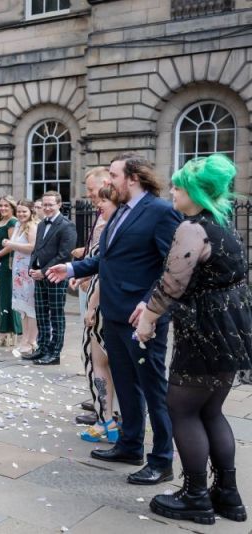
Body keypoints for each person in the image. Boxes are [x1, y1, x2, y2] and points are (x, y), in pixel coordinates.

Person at [47, 152, 181, 486]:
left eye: (113, 175)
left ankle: (162, 460)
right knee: (125, 382)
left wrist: (150, 306)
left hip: (142, 319)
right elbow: (106, 260)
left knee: (153, 388)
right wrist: (73, 268)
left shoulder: (161, 212)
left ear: (133, 177)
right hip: (114, 314)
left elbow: (173, 267)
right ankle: (130, 445)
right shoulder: (120, 210)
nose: (108, 181)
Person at [135, 155, 250, 524]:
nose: (172, 191)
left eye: (178, 187)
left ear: (196, 192)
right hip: (230, 329)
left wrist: (147, 320)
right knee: (211, 410)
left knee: (182, 409)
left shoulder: (194, 227)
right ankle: (227, 496)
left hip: (204, 332)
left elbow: (172, 283)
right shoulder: (224, 226)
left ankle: (196, 495)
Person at [78, 186, 120, 443]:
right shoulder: (115, 226)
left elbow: (106, 271)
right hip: (104, 296)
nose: (97, 204)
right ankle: (111, 419)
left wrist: (92, 305)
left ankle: (107, 420)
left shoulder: (111, 229)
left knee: (99, 363)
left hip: (103, 301)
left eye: (102, 199)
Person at [70, 167, 111, 424]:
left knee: (100, 356)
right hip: (93, 285)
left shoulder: (112, 218)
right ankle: (101, 403)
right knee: (93, 355)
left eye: (92, 190)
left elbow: (105, 260)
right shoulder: (102, 214)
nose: (90, 196)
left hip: (104, 295)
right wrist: (83, 274)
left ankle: (106, 412)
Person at [25, 191, 76, 365]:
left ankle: (54, 353)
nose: (46, 208)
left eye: (50, 205)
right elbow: (37, 249)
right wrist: (32, 267)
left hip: (56, 276)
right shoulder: (40, 225)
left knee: (56, 315)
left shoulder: (66, 225)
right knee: (41, 314)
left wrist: (44, 271)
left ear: (59, 205)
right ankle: (43, 348)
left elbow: (64, 255)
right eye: (44, 204)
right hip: (39, 275)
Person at [1, 200, 38, 356]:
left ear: (30, 212)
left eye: (24, 211)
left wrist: (11, 244)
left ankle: (31, 341)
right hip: (17, 270)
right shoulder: (17, 225)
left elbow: (32, 247)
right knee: (22, 308)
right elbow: (13, 244)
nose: (21, 214)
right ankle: (24, 338)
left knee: (30, 308)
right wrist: (7, 244)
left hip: (28, 271)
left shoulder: (33, 226)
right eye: (20, 211)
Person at [0, 196, 22, 346]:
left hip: (9, 263)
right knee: (2, 297)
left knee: (7, 297)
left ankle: (7, 331)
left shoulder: (13, 221)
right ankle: (7, 330)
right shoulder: (1, 221)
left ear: (12, 207)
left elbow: (11, 245)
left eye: (6, 206)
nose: (3, 208)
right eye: (1, 206)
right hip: (2, 263)